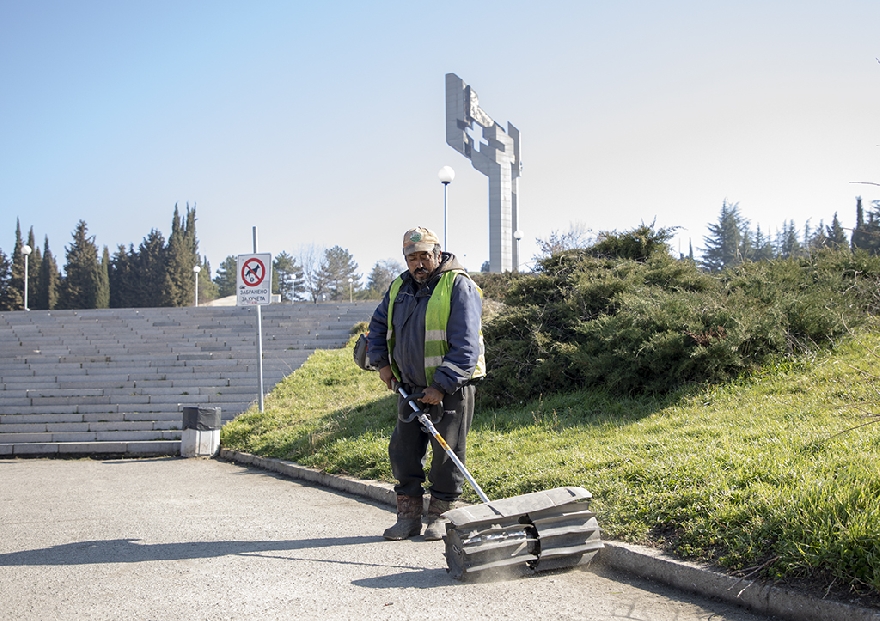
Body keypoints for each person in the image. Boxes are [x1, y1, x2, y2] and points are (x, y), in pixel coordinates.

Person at [366, 226, 485, 541]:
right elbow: (377, 326)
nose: (418, 263)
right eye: (411, 257)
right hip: (409, 387)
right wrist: (382, 365)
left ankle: (440, 518)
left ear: (437, 254)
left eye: (424, 256)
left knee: (447, 456)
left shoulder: (459, 287)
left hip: (451, 389)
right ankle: (408, 518)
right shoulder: (398, 288)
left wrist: (442, 386)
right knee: (403, 452)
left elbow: (466, 346)